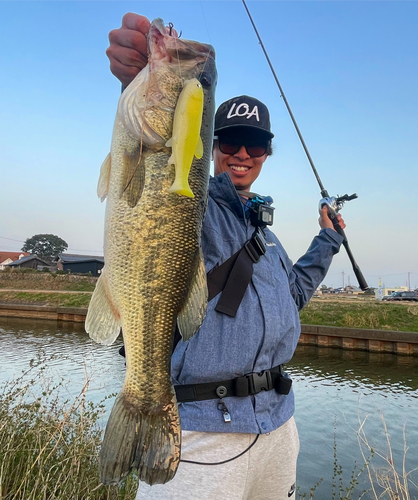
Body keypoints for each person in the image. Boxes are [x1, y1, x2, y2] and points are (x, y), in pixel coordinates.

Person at [106, 13, 346, 500]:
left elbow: (294, 294)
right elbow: (156, 177)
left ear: (266, 153)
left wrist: (328, 240)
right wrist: (138, 80)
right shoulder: (193, 206)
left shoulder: (267, 237)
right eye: (230, 140)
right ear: (209, 145)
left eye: (254, 143)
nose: (241, 152)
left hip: (278, 430)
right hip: (200, 437)